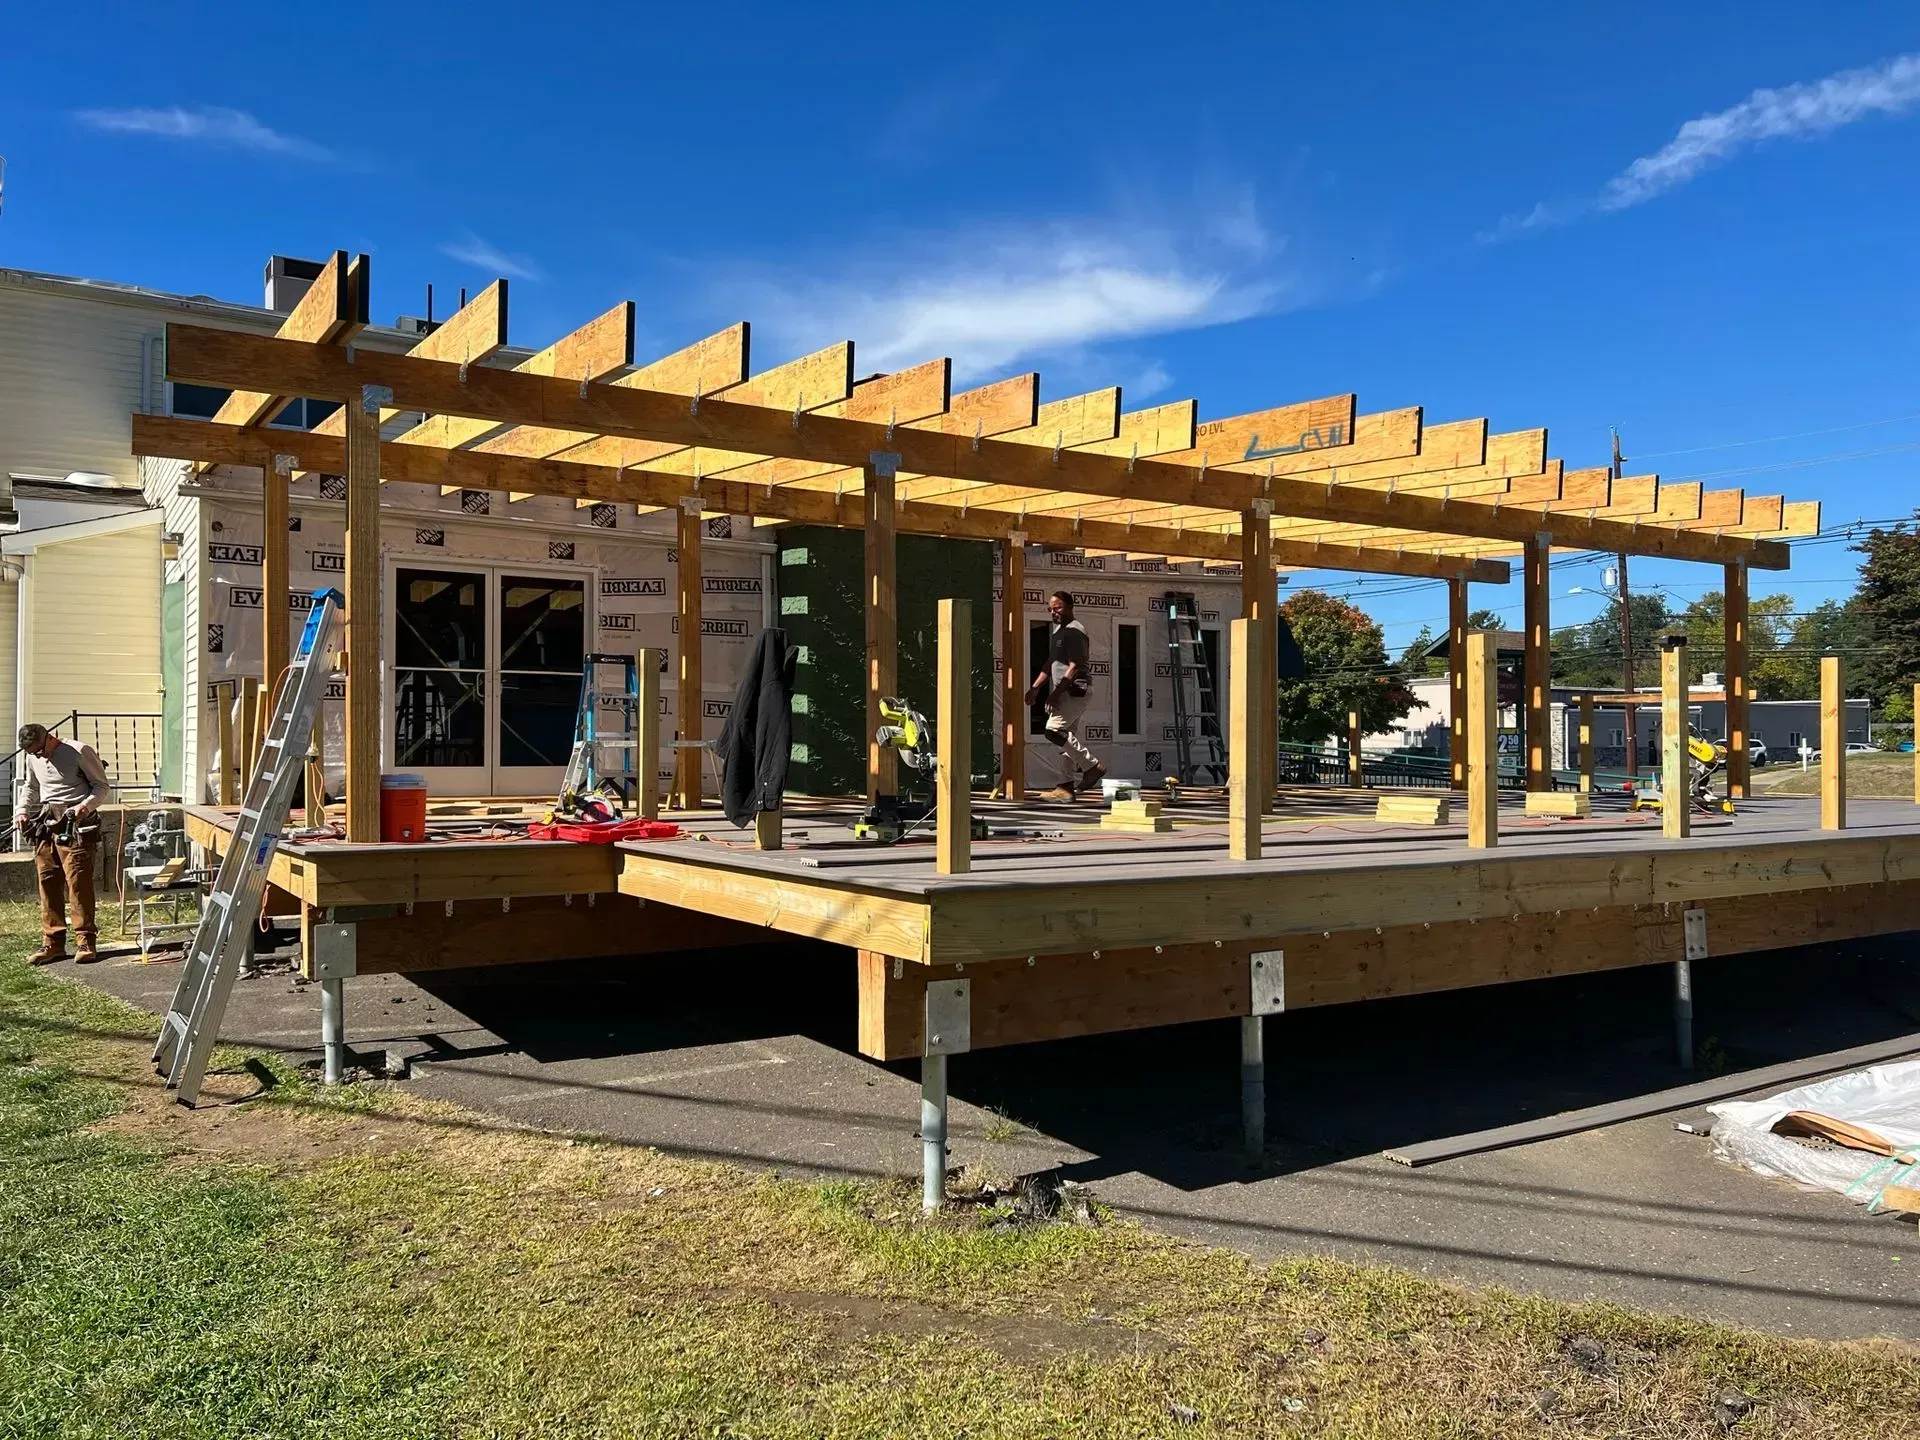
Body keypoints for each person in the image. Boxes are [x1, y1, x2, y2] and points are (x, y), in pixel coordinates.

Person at [15, 723, 109, 965]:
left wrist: (84, 806)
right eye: (32, 753)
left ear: (48, 738)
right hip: (47, 821)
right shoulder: (33, 757)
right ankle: (53, 943)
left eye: (39, 751)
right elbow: (32, 787)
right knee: (47, 880)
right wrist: (22, 811)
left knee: (77, 882)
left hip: (76, 822)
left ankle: (86, 941)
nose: (38, 756)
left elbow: (101, 786)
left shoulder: (79, 751)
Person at [1024, 590, 1107, 801]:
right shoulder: (1058, 632)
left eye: (1058, 607)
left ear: (1070, 606)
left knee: (1053, 731)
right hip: (1067, 692)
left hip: (1074, 691)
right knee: (1066, 739)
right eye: (1050, 609)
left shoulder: (1074, 631)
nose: (1054, 612)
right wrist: (1035, 687)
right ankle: (1065, 787)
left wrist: (1055, 694)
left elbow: (1075, 666)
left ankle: (1091, 766)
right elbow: (1050, 663)